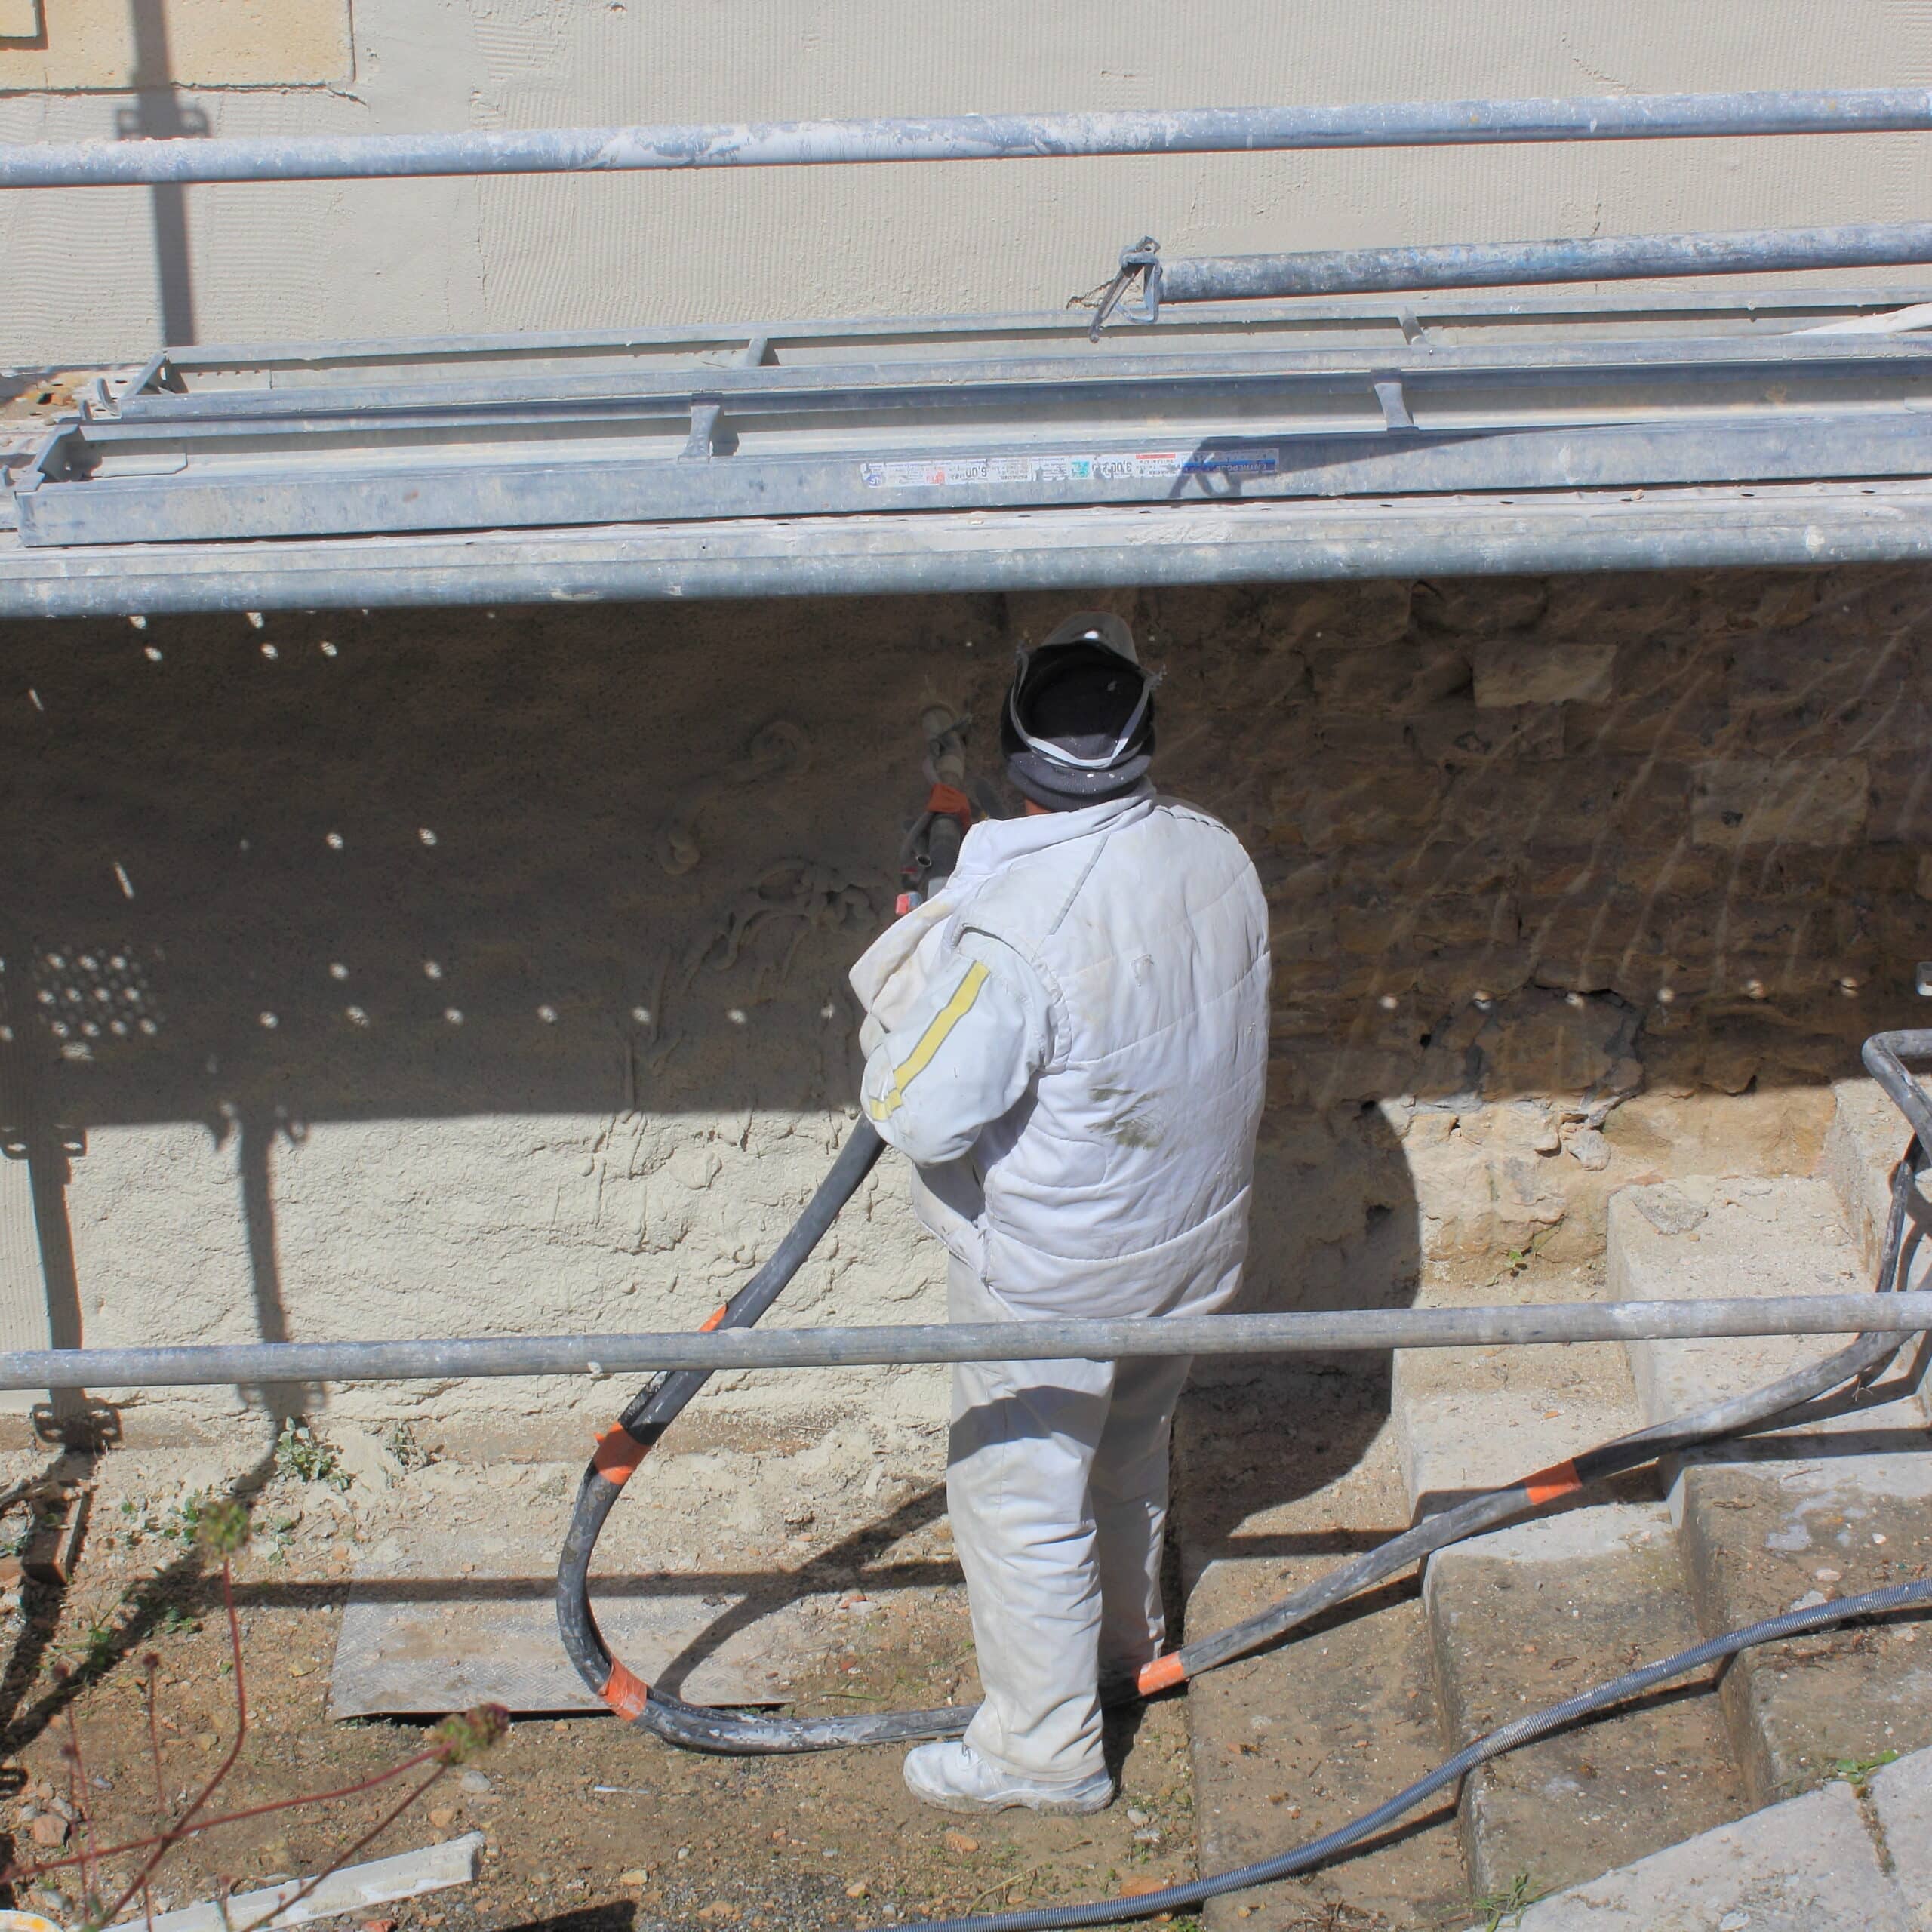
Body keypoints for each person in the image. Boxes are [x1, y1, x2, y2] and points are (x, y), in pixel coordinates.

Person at [848, 612, 1271, 1815]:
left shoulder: (1013, 933)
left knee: (1021, 1500)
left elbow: (919, 1114)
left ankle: (1044, 1753)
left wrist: (918, 969)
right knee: (1131, 1457)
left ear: (1014, 760)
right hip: (1187, 1249)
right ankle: (1117, 1660)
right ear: (1145, 745)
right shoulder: (1215, 850)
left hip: (1056, 1276)